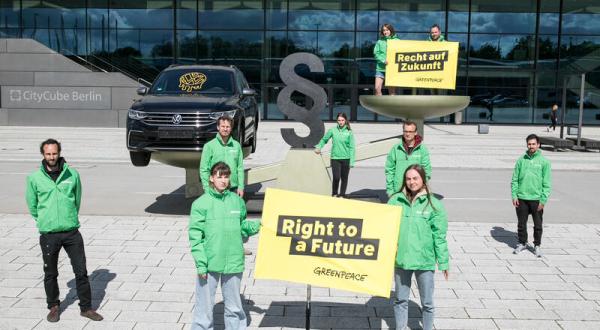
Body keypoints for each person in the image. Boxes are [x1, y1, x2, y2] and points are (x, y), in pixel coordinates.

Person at [25, 139, 103, 323]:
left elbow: (77, 199)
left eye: (54, 153)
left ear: (59, 153)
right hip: (49, 233)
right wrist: (44, 220)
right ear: (43, 155)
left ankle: (86, 308)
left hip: (71, 232)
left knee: (81, 271)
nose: (52, 157)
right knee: (50, 272)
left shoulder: (72, 175)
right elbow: (32, 205)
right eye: (48, 154)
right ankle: (53, 306)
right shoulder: (34, 178)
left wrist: (69, 217)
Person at [189, 162, 261, 330]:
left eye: (226, 176)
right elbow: (195, 236)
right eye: (219, 176)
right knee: (204, 308)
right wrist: (201, 263)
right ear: (211, 178)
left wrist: (259, 225)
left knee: (235, 307)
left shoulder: (237, 201)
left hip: (234, 260)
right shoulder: (201, 204)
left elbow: (242, 228)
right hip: (210, 262)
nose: (223, 180)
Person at [388, 164, 449, 330]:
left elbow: (439, 236)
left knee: (427, 302)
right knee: (401, 300)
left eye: (415, 178)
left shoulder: (433, 204)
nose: (411, 182)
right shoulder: (395, 200)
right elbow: (385, 228)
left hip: (424, 261)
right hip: (401, 260)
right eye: (408, 178)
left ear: (423, 179)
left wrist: (443, 262)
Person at [200, 116, 252, 255]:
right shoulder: (209, 146)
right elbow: (204, 169)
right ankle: (212, 246)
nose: (225, 129)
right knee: (215, 218)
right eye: (222, 126)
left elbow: (240, 168)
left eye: (228, 126)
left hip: (233, 188)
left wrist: (241, 187)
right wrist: (207, 189)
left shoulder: (236, 146)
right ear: (218, 127)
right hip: (215, 189)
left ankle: (238, 247)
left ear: (231, 128)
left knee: (235, 218)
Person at [511, 134, 552, 257]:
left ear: (538, 145)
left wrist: (543, 199)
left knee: (538, 225)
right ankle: (522, 243)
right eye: (529, 144)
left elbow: (547, 183)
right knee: (521, 224)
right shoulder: (521, 160)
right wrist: (514, 195)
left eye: (534, 144)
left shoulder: (544, 162)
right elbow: (514, 180)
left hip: (536, 199)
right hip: (522, 198)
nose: (531, 146)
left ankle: (537, 245)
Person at [385, 121, 432, 197]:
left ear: (415, 132)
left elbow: (427, 170)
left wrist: (422, 187)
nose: (407, 134)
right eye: (405, 131)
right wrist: (390, 191)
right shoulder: (396, 149)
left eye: (410, 131)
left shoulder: (422, 149)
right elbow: (389, 170)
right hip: (399, 190)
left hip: (417, 191)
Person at [315, 112, 356, 197]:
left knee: (344, 179)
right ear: (337, 121)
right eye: (339, 120)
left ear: (345, 121)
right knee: (336, 178)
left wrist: (352, 161)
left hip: (346, 159)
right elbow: (324, 140)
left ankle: (342, 195)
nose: (340, 122)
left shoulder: (349, 132)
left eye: (342, 120)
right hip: (335, 158)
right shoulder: (332, 130)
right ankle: (334, 194)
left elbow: (352, 148)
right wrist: (319, 147)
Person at [374, 23, 399, 96]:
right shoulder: (379, 41)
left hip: (391, 69)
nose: (385, 32)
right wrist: (383, 60)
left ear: (391, 30)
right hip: (380, 69)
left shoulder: (397, 41)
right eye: (384, 30)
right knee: (377, 89)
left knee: (391, 92)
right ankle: (379, 107)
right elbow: (376, 54)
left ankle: (392, 107)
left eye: (387, 30)